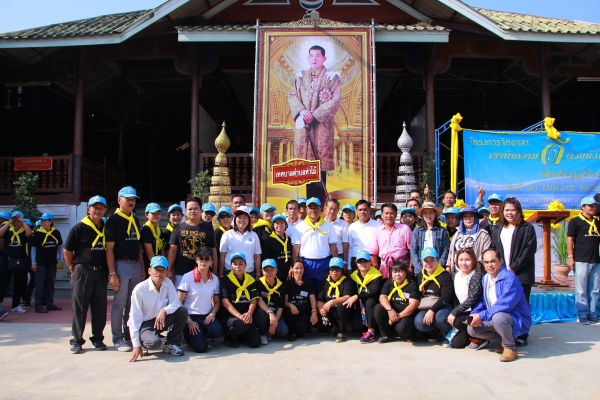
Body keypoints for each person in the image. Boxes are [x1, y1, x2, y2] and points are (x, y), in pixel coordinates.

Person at [289, 45, 342, 200]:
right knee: (306, 167)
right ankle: (306, 204)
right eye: (311, 55)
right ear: (308, 57)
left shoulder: (332, 77)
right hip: (304, 126)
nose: (314, 58)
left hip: (322, 127)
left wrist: (316, 114)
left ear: (324, 58)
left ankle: (320, 204)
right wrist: (302, 111)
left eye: (317, 55)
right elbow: (292, 95)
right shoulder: (301, 77)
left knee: (320, 166)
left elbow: (335, 100)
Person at [467, 249, 532, 362]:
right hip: (495, 317)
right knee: (472, 329)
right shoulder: (485, 278)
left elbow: (505, 304)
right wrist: (475, 314)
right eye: (486, 262)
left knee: (499, 317)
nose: (489, 265)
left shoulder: (509, 278)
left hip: (516, 318)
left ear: (501, 261)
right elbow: (483, 301)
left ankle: (510, 347)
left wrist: (482, 315)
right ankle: (507, 338)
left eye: (493, 261)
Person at [64, 196, 109, 354]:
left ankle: (98, 338)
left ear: (105, 210)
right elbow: (67, 251)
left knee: (100, 307)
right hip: (83, 270)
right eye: (95, 207)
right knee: (80, 307)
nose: (98, 210)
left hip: (101, 271)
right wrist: (72, 267)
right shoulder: (79, 228)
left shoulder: (107, 227)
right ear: (88, 209)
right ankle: (76, 340)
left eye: (101, 208)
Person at [490, 197, 536, 346]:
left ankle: (522, 334)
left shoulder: (527, 228)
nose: (509, 213)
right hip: (503, 273)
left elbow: (529, 250)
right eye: (507, 210)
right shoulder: (498, 228)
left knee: (522, 304)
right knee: (506, 304)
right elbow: (494, 250)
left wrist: (514, 267)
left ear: (518, 211)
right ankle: (509, 334)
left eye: (512, 210)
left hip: (521, 273)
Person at [105, 186, 144, 352]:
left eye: (133, 199)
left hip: (135, 264)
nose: (131, 202)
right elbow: (109, 248)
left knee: (132, 303)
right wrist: (112, 273)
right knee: (119, 303)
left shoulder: (135, 219)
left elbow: (138, 245)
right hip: (121, 265)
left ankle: (130, 334)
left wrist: (142, 266)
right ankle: (117, 337)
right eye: (128, 199)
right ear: (119, 200)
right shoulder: (113, 220)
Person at [128, 255, 187, 361]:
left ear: (166, 272)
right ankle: (143, 342)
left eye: (162, 270)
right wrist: (136, 345)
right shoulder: (140, 289)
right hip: (144, 324)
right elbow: (134, 318)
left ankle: (171, 343)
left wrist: (164, 310)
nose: (159, 273)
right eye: (156, 269)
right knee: (154, 343)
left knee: (182, 311)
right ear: (149, 271)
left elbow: (176, 302)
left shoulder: (168, 283)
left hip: (160, 320)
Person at [177, 247, 224, 353]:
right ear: (196, 260)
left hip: (206, 316)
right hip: (190, 316)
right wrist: (189, 321)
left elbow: (217, 302)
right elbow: (178, 301)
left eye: (207, 258)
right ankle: (189, 335)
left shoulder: (214, 279)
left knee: (217, 331)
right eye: (201, 258)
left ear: (211, 261)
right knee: (201, 348)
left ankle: (201, 335)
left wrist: (212, 314)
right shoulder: (187, 277)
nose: (203, 261)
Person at [168, 197, 217, 287]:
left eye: (195, 208)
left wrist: (215, 270)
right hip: (181, 273)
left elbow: (213, 250)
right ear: (186, 211)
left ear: (201, 210)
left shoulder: (208, 228)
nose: (192, 211)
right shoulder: (178, 228)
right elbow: (173, 250)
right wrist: (169, 269)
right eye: (190, 209)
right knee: (179, 296)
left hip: (203, 273)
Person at [218, 252, 263, 348]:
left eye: (241, 264)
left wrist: (249, 313)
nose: (237, 267)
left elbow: (254, 299)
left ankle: (240, 335)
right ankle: (228, 336)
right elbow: (225, 302)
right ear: (231, 266)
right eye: (235, 264)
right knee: (240, 325)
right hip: (229, 316)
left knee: (255, 343)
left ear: (246, 265)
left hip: (245, 316)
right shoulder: (226, 280)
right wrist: (240, 316)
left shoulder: (250, 280)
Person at [567, 196, 600, 325]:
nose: (593, 208)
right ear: (583, 207)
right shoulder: (575, 221)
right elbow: (570, 240)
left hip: (596, 261)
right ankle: (582, 315)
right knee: (581, 290)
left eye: (594, 206)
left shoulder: (597, 223)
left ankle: (593, 314)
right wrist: (571, 258)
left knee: (595, 289)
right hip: (581, 260)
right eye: (590, 206)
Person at [296, 197, 338, 293]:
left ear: (321, 209)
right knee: (306, 289)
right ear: (306, 209)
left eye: (316, 208)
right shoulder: (299, 226)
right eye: (311, 208)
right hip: (306, 263)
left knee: (322, 290)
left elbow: (333, 246)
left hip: (324, 263)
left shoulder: (328, 226)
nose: (313, 210)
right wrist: (293, 265)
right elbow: (296, 248)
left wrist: (335, 263)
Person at [414, 248, 454, 344]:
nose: (429, 264)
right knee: (419, 322)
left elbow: (446, 296)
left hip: (444, 305)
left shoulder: (445, 275)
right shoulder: (420, 275)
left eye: (432, 260)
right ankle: (434, 332)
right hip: (426, 305)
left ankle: (447, 334)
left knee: (439, 317)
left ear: (438, 260)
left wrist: (432, 310)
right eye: (426, 261)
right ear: (422, 261)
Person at [374, 261, 420, 343]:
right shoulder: (389, 282)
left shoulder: (412, 284)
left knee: (403, 328)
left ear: (406, 273)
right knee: (378, 309)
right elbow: (382, 297)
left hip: (406, 314)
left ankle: (411, 334)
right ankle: (386, 335)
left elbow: (413, 305)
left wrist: (397, 317)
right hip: (392, 312)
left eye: (400, 271)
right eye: (395, 272)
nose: (397, 274)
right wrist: (390, 310)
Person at [447, 248, 483, 349]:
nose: (464, 263)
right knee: (457, 344)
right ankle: (472, 335)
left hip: (474, 312)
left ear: (473, 260)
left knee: (457, 321)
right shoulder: (455, 275)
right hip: (461, 312)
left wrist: (454, 313)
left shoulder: (476, 276)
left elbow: (472, 299)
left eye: (467, 260)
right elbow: (454, 298)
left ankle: (481, 338)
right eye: (461, 260)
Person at [29, 212, 64, 313]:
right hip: (40, 263)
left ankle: (50, 303)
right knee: (39, 285)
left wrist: (61, 260)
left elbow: (59, 247)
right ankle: (38, 305)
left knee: (50, 284)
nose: (43, 222)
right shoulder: (37, 233)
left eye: (45, 221)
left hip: (52, 262)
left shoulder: (56, 232)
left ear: (50, 221)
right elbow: (34, 248)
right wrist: (33, 262)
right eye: (42, 221)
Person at [347, 250, 383, 343]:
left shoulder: (376, 275)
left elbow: (374, 293)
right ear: (356, 263)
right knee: (356, 325)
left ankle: (371, 331)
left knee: (370, 300)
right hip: (360, 307)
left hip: (373, 306)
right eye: (360, 261)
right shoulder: (354, 276)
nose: (363, 264)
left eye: (365, 261)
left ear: (370, 262)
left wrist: (357, 296)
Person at [317, 257, 356, 343]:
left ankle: (341, 332)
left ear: (342, 270)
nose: (334, 271)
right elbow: (320, 299)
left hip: (343, 311)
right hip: (330, 311)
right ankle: (332, 327)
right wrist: (321, 310)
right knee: (318, 318)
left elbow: (347, 297)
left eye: (338, 268)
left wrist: (332, 302)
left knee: (341, 307)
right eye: (332, 268)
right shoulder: (325, 282)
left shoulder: (347, 281)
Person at [0, 211, 32, 314]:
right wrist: (9, 222)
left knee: (18, 284)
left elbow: (29, 233)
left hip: (20, 260)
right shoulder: (8, 230)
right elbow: (0, 233)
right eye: (14, 220)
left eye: (18, 220)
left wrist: (23, 222)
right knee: (3, 283)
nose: (16, 222)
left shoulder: (23, 231)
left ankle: (16, 305)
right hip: (7, 260)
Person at [368, 203, 411, 279]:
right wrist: (376, 270)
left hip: (402, 268)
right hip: (384, 269)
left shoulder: (404, 229)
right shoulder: (377, 231)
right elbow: (373, 253)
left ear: (396, 215)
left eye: (391, 213)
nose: (389, 216)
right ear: (382, 215)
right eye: (386, 213)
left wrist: (410, 267)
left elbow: (412, 250)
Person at [218, 206, 262, 278]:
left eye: (245, 217)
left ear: (249, 219)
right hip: (230, 272)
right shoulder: (227, 234)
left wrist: (258, 274)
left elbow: (257, 257)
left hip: (249, 273)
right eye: (239, 217)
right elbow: (222, 256)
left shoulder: (254, 235)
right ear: (235, 219)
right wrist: (221, 273)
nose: (242, 220)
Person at [446, 206, 491, 273]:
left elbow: (485, 252)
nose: (468, 219)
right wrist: (448, 266)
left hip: (474, 271)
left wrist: (479, 263)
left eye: (471, 216)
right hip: (457, 271)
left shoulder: (483, 234)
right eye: (465, 216)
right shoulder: (458, 233)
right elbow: (451, 251)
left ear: (476, 218)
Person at [410, 202, 450, 275]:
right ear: (422, 215)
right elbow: (413, 251)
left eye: (431, 213)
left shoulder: (442, 231)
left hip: (438, 270)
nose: (428, 215)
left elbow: (445, 250)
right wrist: (419, 268)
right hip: (421, 269)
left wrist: (439, 266)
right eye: (425, 213)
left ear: (435, 214)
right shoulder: (417, 231)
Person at [284, 258, 318, 341]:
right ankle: (292, 333)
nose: (299, 271)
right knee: (288, 312)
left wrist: (314, 312)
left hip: (304, 311)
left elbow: (312, 299)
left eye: (301, 268)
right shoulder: (288, 283)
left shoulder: (308, 283)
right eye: (296, 268)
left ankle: (301, 330)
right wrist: (291, 305)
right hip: (292, 312)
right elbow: (285, 301)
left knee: (302, 328)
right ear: (291, 268)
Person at [255, 258, 289, 341]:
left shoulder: (281, 286)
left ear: (276, 270)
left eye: (271, 270)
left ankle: (270, 331)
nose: (269, 273)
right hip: (264, 314)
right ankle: (262, 333)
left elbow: (280, 307)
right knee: (260, 312)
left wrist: (274, 323)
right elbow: (259, 300)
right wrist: (270, 313)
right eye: (266, 270)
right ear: (262, 271)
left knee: (283, 331)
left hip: (275, 315)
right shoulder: (258, 283)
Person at [263, 214, 298, 281]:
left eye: (282, 223)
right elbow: (266, 257)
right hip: (274, 272)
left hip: (287, 272)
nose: (280, 225)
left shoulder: (289, 239)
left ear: (285, 225)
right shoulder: (269, 240)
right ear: (273, 225)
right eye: (277, 223)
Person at [348, 200, 380, 272]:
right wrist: (349, 266)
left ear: (369, 210)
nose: (362, 212)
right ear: (356, 211)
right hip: (356, 260)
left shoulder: (378, 226)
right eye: (360, 210)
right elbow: (350, 248)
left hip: (373, 260)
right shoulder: (352, 227)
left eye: (365, 209)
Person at [325, 199, 349, 271]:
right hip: (325, 257)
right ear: (325, 208)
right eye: (330, 209)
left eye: (335, 209)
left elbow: (345, 244)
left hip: (339, 256)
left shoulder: (343, 224)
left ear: (338, 211)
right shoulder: (321, 224)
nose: (332, 211)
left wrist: (345, 261)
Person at [140, 203, 165, 269]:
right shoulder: (146, 229)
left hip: (158, 262)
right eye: (153, 213)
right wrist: (156, 267)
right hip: (149, 265)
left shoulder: (159, 230)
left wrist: (163, 264)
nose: (156, 215)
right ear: (147, 215)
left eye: (158, 213)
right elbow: (149, 253)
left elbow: (161, 249)